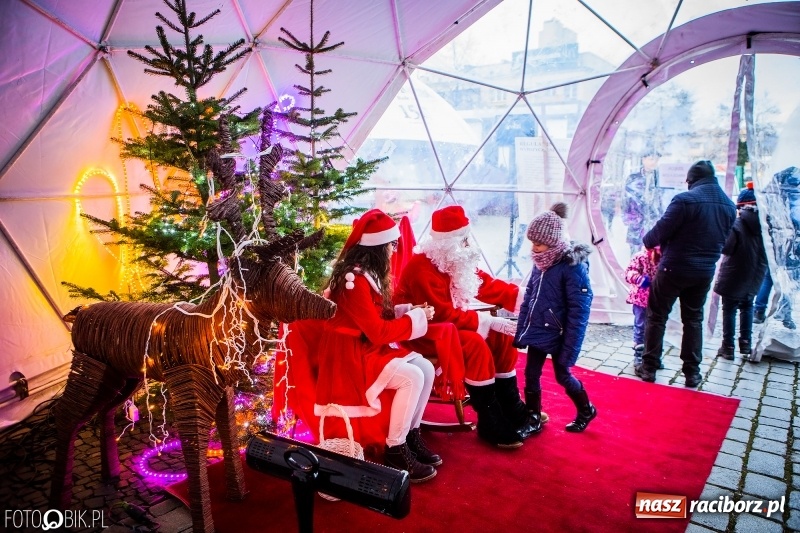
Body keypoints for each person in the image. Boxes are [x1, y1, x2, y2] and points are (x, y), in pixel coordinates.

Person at [315, 209, 440, 483]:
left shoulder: (366, 274)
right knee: (412, 377)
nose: (395, 250)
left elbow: (373, 317)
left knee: (426, 369)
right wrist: (414, 318)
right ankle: (395, 448)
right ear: (378, 248)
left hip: (366, 345)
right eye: (391, 245)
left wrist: (407, 311)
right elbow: (377, 332)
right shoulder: (354, 280)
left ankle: (410, 435)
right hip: (350, 353)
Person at [394, 205, 529, 448]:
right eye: (464, 239)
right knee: (475, 343)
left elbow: (484, 284)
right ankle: (489, 417)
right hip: (424, 331)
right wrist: (488, 321)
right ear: (449, 243)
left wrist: (524, 298)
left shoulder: (454, 259)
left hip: (451, 325)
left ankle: (511, 405)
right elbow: (440, 314)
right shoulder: (421, 268)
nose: (469, 244)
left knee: (503, 338)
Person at [635, 160, 736, 387]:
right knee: (693, 320)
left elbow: (655, 235)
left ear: (691, 180)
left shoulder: (685, 200)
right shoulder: (729, 206)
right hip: (704, 272)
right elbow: (727, 244)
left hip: (673, 268)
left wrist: (653, 242)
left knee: (656, 316)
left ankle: (649, 367)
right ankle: (692, 373)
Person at [514, 202, 596, 432]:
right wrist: (523, 329)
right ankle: (533, 418)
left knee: (562, 375)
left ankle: (586, 409)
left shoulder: (572, 266)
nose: (534, 248)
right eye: (532, 243)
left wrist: (570, 346)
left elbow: (579, 309)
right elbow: (530, 295)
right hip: (540, 329)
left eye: (538, 244)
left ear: (552, 242)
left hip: (560, 333)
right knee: (531, 373)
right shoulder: (541, 262)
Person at [713, 182, 769, 360]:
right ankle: (746, 343)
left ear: (741, 206)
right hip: (755, 275)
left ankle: (728, 347)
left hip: (734, 274)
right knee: (747, 306)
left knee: (729, 309)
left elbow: (727, 248)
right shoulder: (766, 226)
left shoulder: (737, 224)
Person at [624, 246, 661, 370]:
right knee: (641, 326)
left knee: (657, 326)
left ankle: (653, 355)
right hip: (641, 298)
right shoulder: (641, 256)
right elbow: (629, 271)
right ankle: (639, 354)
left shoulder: (666, 257)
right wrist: (638, 278)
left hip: (659, 298)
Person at [622, 149, 663, 255]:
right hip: (636, 222)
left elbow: (662, 201)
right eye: (651, 159)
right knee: (635, 253)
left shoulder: (660, 178)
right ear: (643, 159)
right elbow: (626, 200)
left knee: (653, 254)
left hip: (654, 222)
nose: (654, 162)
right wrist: (629, 218)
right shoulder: (633, 178)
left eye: (657, 160)